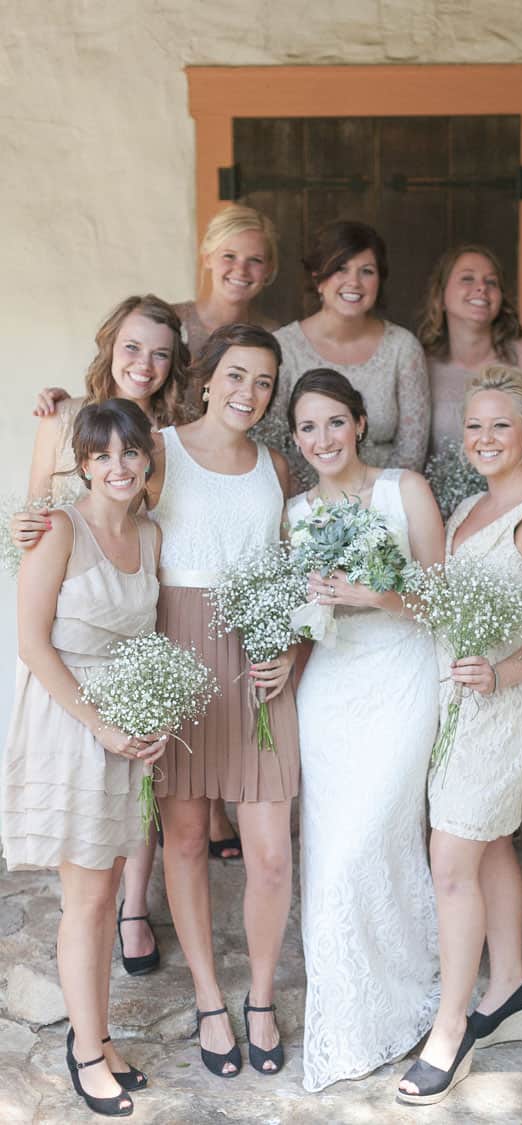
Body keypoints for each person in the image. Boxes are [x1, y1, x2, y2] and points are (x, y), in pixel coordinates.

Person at [397, 366, 522, 1106]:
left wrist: (502, 676)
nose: (484, 437)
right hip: (455, 699)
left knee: (452, 860)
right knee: (491, 841)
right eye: (474, 425)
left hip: (503, 705)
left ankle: (453, 1027)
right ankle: (509, 986)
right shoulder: (470, 504)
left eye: (500, 425)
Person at [12, 294, 191, 977]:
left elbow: (155, 522)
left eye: (160, 354)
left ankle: (134, 906)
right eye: (132, 348)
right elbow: (34, 513)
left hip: (128, 618)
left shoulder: (168, 437)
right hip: (67, 614)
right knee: (84, 874)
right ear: (109, 347)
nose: (143, 364)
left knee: (129, 794)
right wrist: (28, 528)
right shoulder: (59, 416)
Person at [2, 400, 165, 1116]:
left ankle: (93, 1035)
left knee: (107, 892)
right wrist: (100, 723)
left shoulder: (152, 534)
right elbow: (32, 643)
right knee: (88, 899)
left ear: (146, 459)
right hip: (72, 721)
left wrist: (148, 714)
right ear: (85, 462)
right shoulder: (61, 527)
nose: (118, 467)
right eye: (102, 455)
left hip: (125, 728)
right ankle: (87, 1049)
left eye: (130, 453)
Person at [286, 368, 443, 1091]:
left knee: (373, 841)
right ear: (295, 439)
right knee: (331, 853)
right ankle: (349, 1018)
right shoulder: (293, 514)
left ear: (359, 421)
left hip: (401, 679)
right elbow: (296, 616)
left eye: (335, 422)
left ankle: (410, 990)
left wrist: (374, 593)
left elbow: (445, 597)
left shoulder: (402, 489)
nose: (324, 438)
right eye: (308, 427)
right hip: (330, 690)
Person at [147, 323, 297, 1078]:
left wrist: (292, 651)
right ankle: (210, 995)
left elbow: (302, 572)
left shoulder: (276, 464)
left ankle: (261, 996)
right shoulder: (160, 449)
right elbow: (101, 520)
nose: (249, 392)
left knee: (270, 853)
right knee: (183, 841)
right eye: (237, 375)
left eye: (264, 381)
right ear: (207, 378)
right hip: (178, 652)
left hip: (259, 666)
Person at [270, 219, 430, 472]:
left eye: (366, 271)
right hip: (306, 501)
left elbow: (412, 451)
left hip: (387, 500)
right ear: (318, 279)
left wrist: (376, 503)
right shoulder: (282, 348)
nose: (354, 282)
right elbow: (274, 444)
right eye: (340, 269)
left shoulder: (402, 347)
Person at [418, 244, 522, 454]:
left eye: (491, 282)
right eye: (467, 278)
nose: (482, 287)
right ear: (441, 295)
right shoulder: (422, 363)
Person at [173, 202, 280, 358]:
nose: (241, 270)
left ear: (268, 269)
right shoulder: (171, 321)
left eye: (255, 260)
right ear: (208, 258)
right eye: (229, 256)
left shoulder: (275, 335)